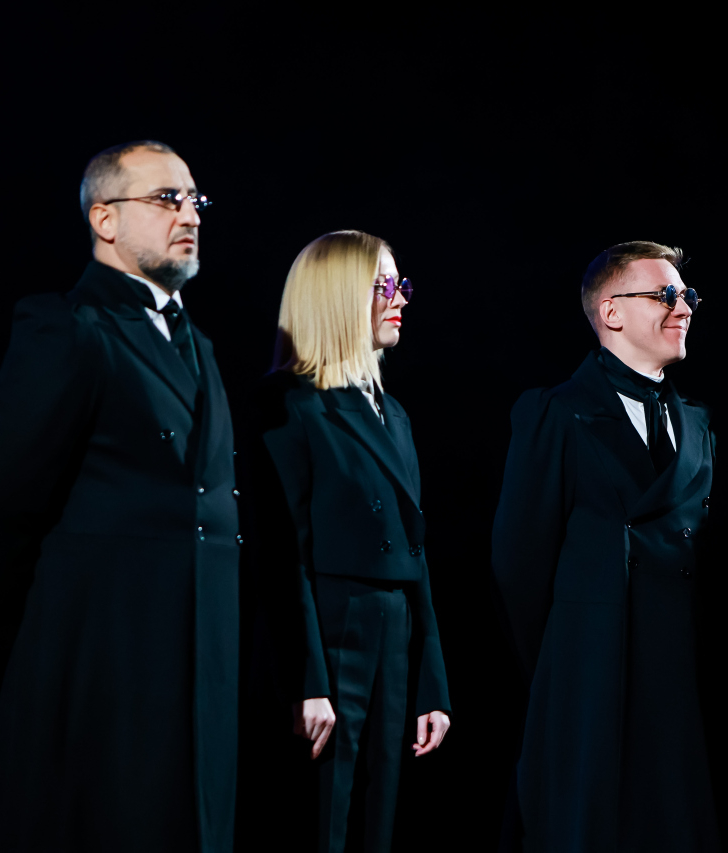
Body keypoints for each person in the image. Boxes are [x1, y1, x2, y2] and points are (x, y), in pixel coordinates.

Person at [0, 141, 239, 850]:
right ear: (104, 219)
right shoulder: (67, 327)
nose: (190, 215)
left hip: (195, 660)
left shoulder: (199, 345)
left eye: (195, 200)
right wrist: (43, 632)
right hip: (97, 658)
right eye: (166, 198)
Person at [493, 241, 720, 852]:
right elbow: (519, 563)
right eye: (665, 295)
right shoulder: (555, 413)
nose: (683, 308)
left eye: (687, 295)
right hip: (591, 668)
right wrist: (568, 656)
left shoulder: (697, 422)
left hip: (679, 668)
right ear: (611, 312)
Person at [251, 230, 451, 853]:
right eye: (383, 285)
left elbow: (416, 551)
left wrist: (431, 683)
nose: (401, 298)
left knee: (377, 820)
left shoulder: (395, 414)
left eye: (400, 284)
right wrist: (307, 680)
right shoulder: (289, 405)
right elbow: (281, 555)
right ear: (337, 296)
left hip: (394, 635)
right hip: (330, 634)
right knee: (321, 819)